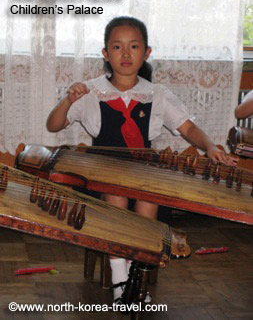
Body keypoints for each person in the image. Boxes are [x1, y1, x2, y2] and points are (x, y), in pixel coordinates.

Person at [47, 16, 237, 304]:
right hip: (100, 174)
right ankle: (119, 279)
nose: (125, 54)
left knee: (147, 198)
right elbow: (54, 125)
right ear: (105, 53)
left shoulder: (157, 95)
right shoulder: (90, 91)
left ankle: (137, 276)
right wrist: (68, 100)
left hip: (144, 172)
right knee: (115, 196)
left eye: (134, 46)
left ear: (146, 52)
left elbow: (187, 128)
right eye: (117, 47)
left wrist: (209, 146)